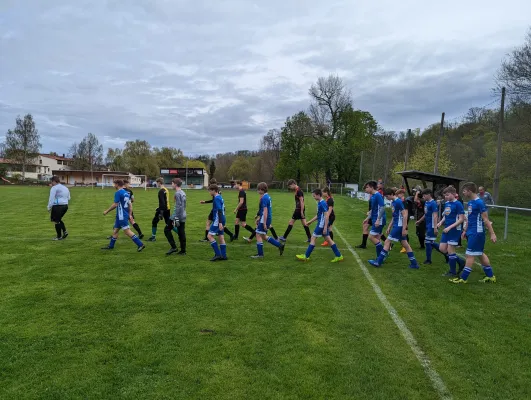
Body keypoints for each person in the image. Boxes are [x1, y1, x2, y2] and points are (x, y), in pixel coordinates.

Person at [451, 182, 497, 284]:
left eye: (464, 191)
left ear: (469, 191)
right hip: (471, 231)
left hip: (477, 232)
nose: (463, 193)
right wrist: (465, 230)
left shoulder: (479, 203)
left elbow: (485, 219)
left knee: (469, 254)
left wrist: (492, 233)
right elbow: (470, 219)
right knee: (479, 254)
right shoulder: (471, 203)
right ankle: (490, 276)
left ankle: (463, 278)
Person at [368, 188, 419, 268]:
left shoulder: (398, 202)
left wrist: (404, 228)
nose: (386, 198)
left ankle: (378, 261)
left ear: (392, 194)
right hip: (397, 225)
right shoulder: (394, 202)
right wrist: (389, 227)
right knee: (405, 244)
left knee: (387, 242)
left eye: (387, 196)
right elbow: (394, 216)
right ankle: (414, 264)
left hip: (399, 226)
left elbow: (405, 215)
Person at [297, 188, 343, 262]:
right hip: (322, 224)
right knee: (329, 240)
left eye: (314, 196)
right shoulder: (320, 203)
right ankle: (339, 256)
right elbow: (318, 215)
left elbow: (326, 215)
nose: (313, 197)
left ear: (318, 195)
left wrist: (325, 227)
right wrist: (310, 222)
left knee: (313, 238)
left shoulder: (322, 203)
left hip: (321, 225)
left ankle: (306, 256)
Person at [102, 179, 145, 251]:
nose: (113, 185)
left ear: (117, 184)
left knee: (127, 231)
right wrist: (129, 214)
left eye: (114, 184)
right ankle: (111, 246)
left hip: (121, 216)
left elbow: (115, 204)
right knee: (115, 230)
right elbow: (130, 205)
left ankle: (140, 244)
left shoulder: (118, 193)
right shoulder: (126, 193)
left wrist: (107, 211)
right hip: (121, 215)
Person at [437, 186, 466, 277]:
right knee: (442, 248)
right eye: (445, 195)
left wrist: (450, 227)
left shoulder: (458, 204)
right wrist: (441, 222)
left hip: (454, 230)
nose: (446, 197)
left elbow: (461, 219)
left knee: (450, 250)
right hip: (447, 229)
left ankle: (452, 272)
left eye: (447, 195)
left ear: (454, 194)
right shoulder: (447, 203)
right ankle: (460, 262)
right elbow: (446, 215)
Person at [250, 182, 285, 258]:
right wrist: (259, 217)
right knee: (263, 236)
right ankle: (280, 245)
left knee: (258, 235)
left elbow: (265, 211)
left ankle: (260, 254)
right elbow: (264, 210)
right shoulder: (268, 196)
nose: (257, 191)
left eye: (258, 189)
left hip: (265, 219)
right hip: (267, 218)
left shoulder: (264, 198)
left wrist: (264, 223)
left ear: (262, 190)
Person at [416, 188, 448, 264]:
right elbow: (426, 214)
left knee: (428, 242)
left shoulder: (433, 203)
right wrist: (420, 221)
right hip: (428, 225)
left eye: (424, 195)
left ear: (428, 195)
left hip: (431, 225)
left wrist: (435, 228)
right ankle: (445, 254)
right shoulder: (427, 203)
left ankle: (429, 259)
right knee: (430, 242)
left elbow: (435, 216)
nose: (423, 197)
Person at [364, 180, 387, 259]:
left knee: (371, 237)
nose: (365, 189)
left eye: (367, 187)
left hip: (379, 220)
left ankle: (384, 254)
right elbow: (374, 209)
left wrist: (378, 219)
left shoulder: (377, 195)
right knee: (377, 238)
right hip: (375, 219)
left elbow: (383, 207)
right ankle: (380, 257)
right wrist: (368, 218)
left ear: (372, 187)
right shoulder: (373, 196)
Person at [164, 178, 187, 256]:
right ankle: (183, 251)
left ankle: (174, 247)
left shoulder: (177, 194)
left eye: (172, 183)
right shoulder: (183, 192)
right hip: (183, 215)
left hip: (177, 216)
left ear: (175, 184)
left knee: (166, 229)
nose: (171, 185)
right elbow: (183, 206)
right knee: (181, 232)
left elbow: (178, 207)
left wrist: (175, 218)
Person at [207, 184, 228, 261]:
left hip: (218, 220)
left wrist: (219, 222)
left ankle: (218, 254)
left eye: (210, 190)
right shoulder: (219, 197)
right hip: (222, 218)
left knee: (209, 236)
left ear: (213, 190)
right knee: (221, 237)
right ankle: (224, 256)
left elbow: (219, 210)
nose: (209, 192)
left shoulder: (216, 198)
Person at [147, 178, 171, 242]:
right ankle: (180, 233)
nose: (156, 184)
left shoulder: (161, 191)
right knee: (169, 223)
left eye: (156, 183)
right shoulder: (166, 190)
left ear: (159, 183)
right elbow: (165, 201)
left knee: (154, 222)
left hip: (163, 209)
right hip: (167, 208)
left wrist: (161, 212)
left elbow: (162, 202)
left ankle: (153, 237)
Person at [47, 176, 70, 240]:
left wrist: (49, 207)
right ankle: (65, 232)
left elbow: (51, 198)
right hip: (65, 206)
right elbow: (69, 197)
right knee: (58, 219)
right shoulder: (65, 187)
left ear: (54, 181)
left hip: (58, 206)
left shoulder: (54, 188)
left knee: (56, 221)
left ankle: (59, 236)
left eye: (51, 182)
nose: (51, 183)